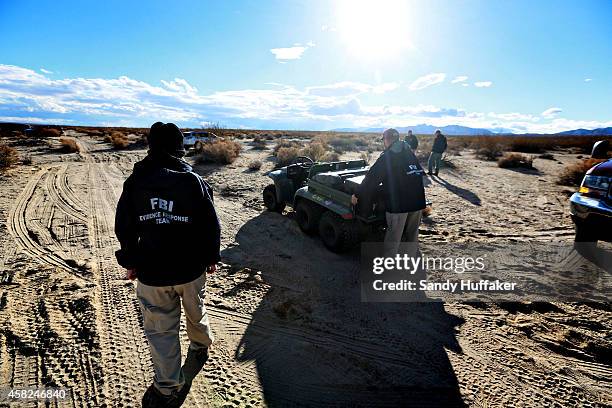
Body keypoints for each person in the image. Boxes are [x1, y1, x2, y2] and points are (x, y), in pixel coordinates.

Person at [115, 122, 220, 408]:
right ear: (179, 147)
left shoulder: (136, 182)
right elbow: (210, 223)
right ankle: (200, 346)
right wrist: (210, 256)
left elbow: (125, 226)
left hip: (153, 272)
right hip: (190, 268)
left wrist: (131, 261)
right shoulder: (193, 181)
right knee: (195, 308)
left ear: (150, 146)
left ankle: (167, 388)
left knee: (161, 331)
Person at [351, 128, 426, 256]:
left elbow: (371, 180)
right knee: (412, 232)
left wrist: (357, 194)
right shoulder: (409, 152)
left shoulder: (388, 156)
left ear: (387, 140)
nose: (383, 143)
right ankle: (411, 256)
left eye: (384, 140)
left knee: (394, 235)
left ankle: (389, 265)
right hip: (418, 200)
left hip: (399, 204)